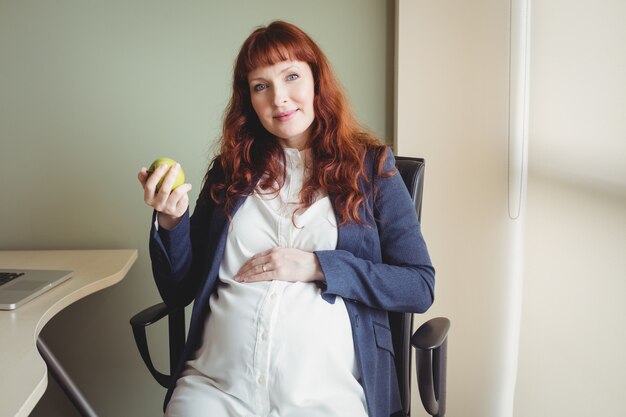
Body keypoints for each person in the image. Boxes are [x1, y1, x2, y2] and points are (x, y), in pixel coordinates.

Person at [138, 20, 434, 417]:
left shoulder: (372, 170)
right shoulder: (230, 172)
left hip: (325, 394)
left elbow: (419, 284)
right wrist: (171, 222)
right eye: (261, 86)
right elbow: (179, 289)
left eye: (291, 76)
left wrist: (317, 265)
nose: (279, 98)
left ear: (316, 81)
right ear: (249, 100)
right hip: (217, 388)